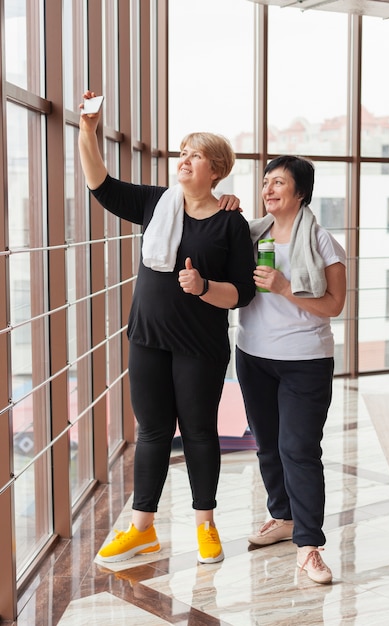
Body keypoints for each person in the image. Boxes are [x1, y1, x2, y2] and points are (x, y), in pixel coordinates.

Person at [78, 91, 256, 564]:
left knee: (199, 431)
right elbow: (101, 185)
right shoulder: (159, 204)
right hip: (147, 338)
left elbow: (242, 292)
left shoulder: (231, 223)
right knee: (153, 430)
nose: (184, 160)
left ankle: (206, 524)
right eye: (182, 152)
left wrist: (201, 287)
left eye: (195, 155)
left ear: (216, 169)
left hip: (200, 345)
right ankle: (142, 529)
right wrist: (88, 132)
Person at [236, 155, 346, 584]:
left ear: (300, 191)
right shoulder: (250, 235)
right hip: (253, 355)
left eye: (278, 182)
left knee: (298, 449)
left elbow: (334, 306)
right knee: (266, 445)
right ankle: (281, 518)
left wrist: (285, 287)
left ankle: (310, 546)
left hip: (306, 361)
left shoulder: (321, 242)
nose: (268, 189)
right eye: (265, 182)